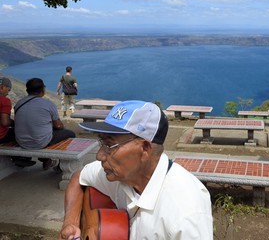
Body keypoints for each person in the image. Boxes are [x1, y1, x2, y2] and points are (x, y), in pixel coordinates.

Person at [59, 100, 213, 240]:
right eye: (101, 142)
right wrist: (71, 223)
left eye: (109, 145)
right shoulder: (118, 175)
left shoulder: (186, 211)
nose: (99, 156)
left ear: (145, 149)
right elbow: (78, 178)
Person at [14, 78, 75, 169]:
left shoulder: (18, 104)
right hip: (40, 142)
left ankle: (45, 159)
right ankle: (60, 166)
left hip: (21, 141)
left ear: (27, 90)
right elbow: (58, 125)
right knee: (70, 134)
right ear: (43, 90)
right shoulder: (48, 104)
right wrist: (62, 127)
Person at [0, 77, 15, 144]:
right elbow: (5, 122)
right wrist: (14, 123)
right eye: (8, 90)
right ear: (2, 87)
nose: (8, 93)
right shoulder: (4, 100)